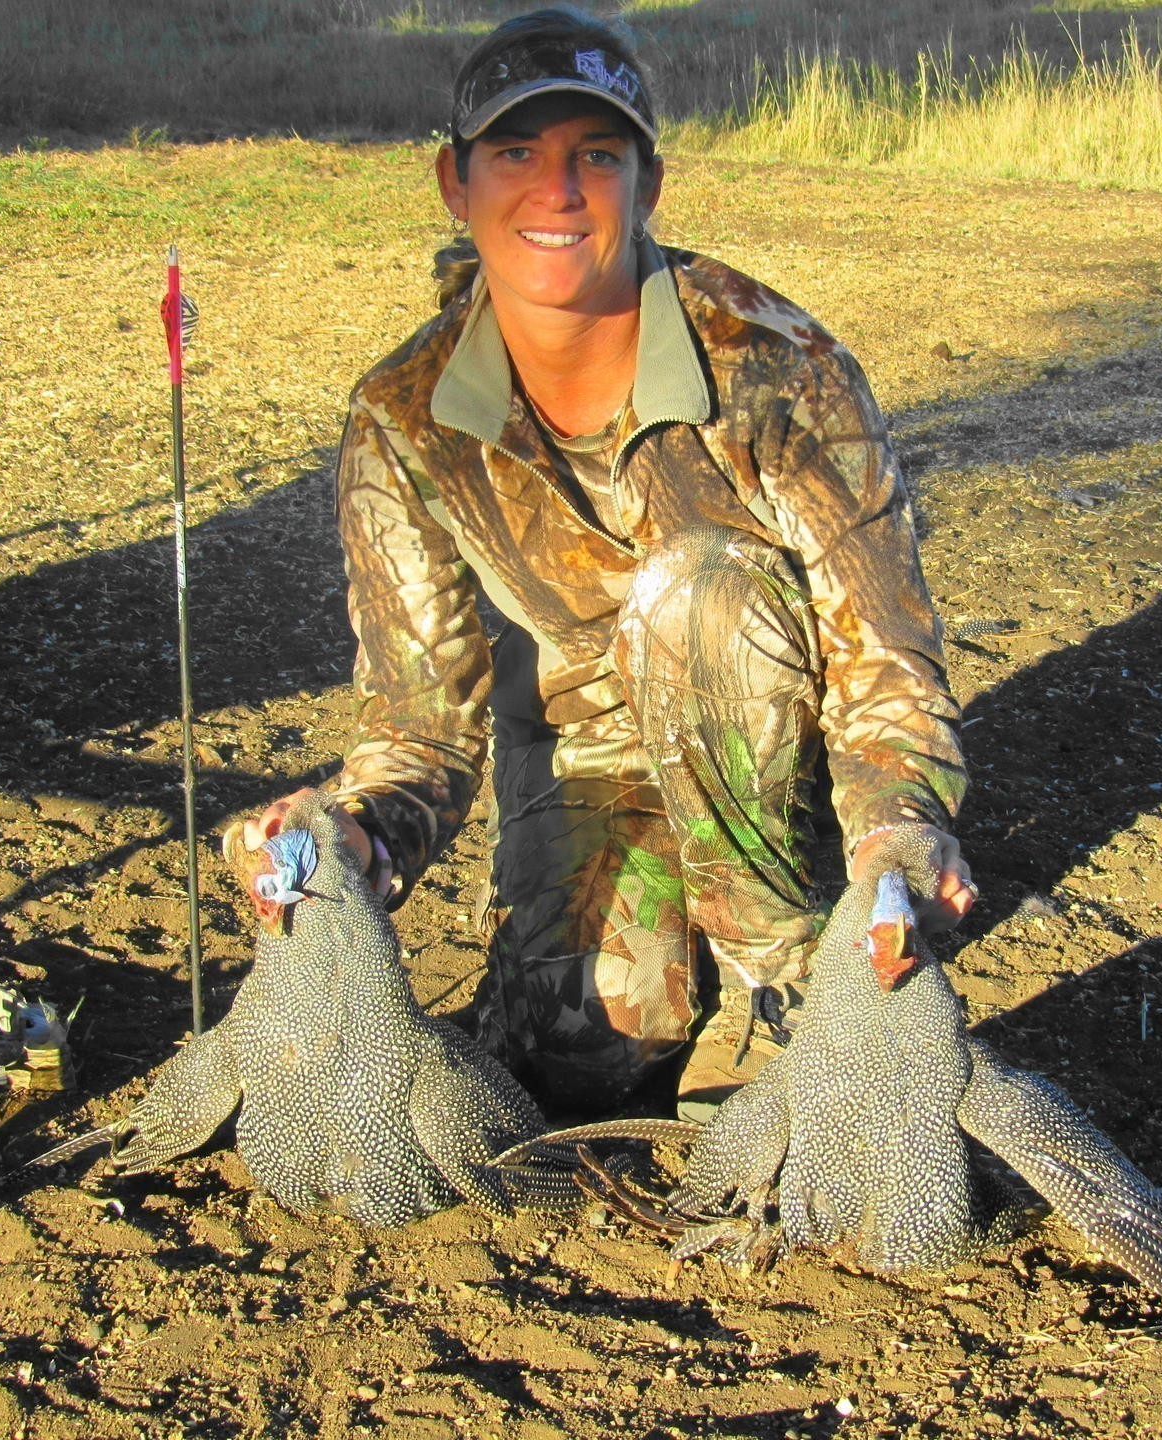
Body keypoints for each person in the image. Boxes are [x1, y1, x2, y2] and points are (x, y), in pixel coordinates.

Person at [227, 5, 975, 1121]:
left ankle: (781, 978)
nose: (556, 189)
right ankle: (653, 959)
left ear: (649, 183)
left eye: (597, 156)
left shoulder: (781, 366)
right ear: (454, 182)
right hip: (582, 764)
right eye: (516, 153)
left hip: (775, 751)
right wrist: (347, 833)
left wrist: (899, 825)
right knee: (591, 1046)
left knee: (697, 589)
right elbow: (421, 730)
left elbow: (887, 668)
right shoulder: (401, 417)